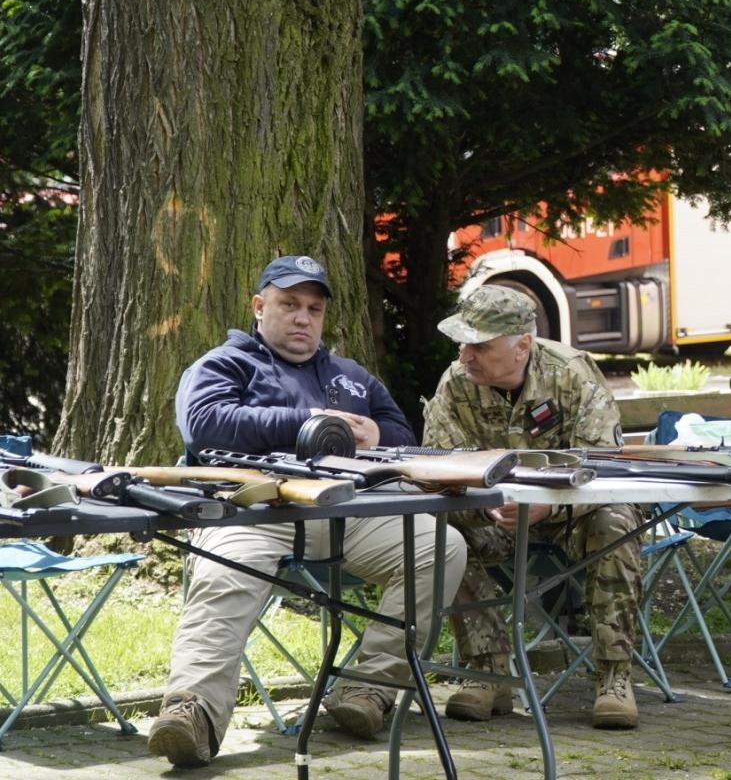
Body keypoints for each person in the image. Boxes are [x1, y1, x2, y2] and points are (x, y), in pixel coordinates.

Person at [147, 254, 467, 767]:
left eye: (314, 309)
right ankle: (193, 712)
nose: (303, 318)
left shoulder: (351, 375)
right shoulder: (224, 364)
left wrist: (376, 434)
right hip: (253, 511)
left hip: (346, 514)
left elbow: (406, 437)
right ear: (259, 306)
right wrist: (309, 421)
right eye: (289, 304)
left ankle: (370, 689)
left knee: (440, 546)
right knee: (224, 577)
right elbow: (204, 425)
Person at [423, 282, 643, 730]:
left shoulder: (572, 373)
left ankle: (615, 676)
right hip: (495, 515)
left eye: (479, 345)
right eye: (462, 342)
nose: (465, 354)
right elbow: (441, 462)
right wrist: (484, 503)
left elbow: (601, 464)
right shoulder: (456, 384)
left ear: (523, 345)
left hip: (569, 515)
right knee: (442, 532)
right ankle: (487, 670)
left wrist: (550, 508)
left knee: (616, 520)